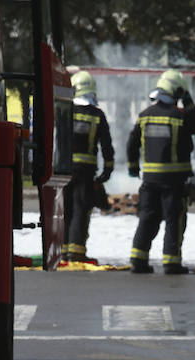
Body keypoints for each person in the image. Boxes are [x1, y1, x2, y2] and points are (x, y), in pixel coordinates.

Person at [127, 69, 195, 274]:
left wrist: (133, 167)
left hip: (150, 180)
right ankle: (171, 263)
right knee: (174, 220)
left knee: (147, 218)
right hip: (174, 181)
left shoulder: (144, 115)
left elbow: (131, 143)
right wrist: (188, 101)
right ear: (177, 91)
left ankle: (138, 260)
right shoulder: (180, 117)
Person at [63, 70, 114, 264]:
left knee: (65, 209)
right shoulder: (97, 115)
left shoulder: (66, 111)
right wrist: (107, 171)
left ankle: (62, 250)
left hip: (64, 170)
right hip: (86, 172)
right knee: (81, 209)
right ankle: (76, 252)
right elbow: (106, 145)